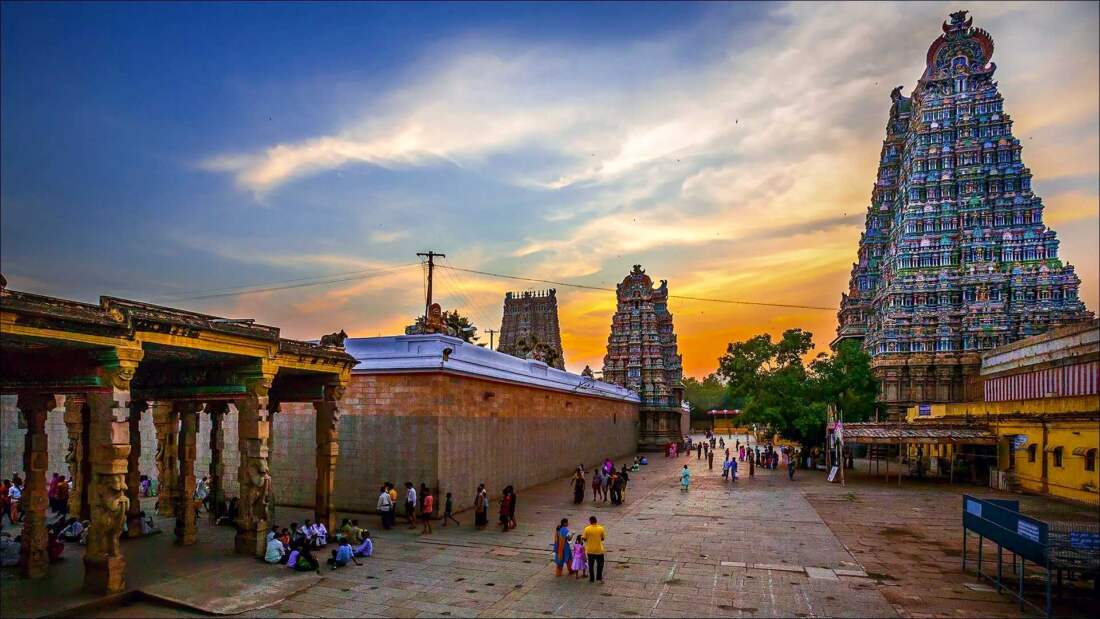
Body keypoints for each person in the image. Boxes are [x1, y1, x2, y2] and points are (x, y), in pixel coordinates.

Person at [581, 516, 606, 583]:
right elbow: (603, 538)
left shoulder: (587, 529)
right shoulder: (601, 528)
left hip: (590, 550)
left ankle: (591, 578)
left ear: (590, 521)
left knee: (591, 565)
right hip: (599, 550)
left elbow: (584, 538)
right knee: (600, 565)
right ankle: (599, 577)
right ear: (596, 521)